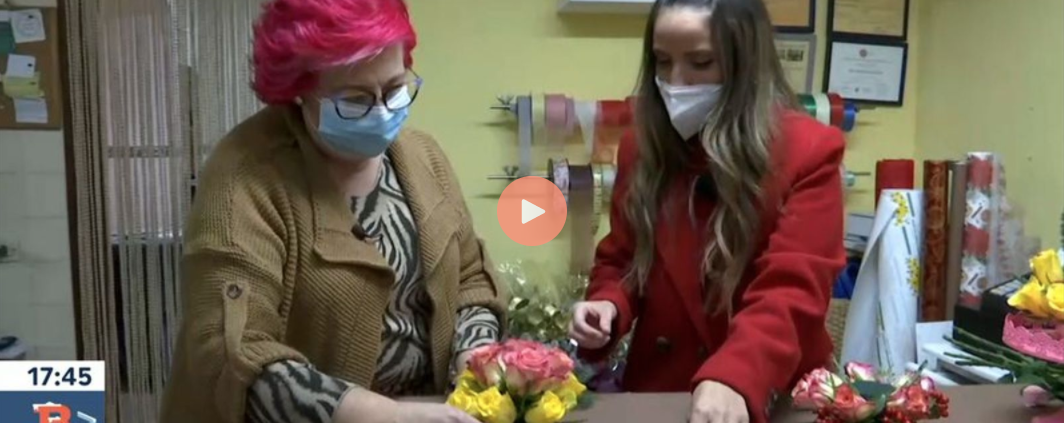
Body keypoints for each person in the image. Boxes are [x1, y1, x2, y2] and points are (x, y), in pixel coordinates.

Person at [160, 1, 502, 422]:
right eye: (355, 99)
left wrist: (474, 354)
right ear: (299, 90)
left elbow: (469, 280)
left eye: (395, 88)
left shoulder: (424, 159)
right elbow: (234, 355)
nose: (381, 111)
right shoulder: (245, 178)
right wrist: (388, 417)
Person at [568, 1, 846, 423]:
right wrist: (608, 304)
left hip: (772, 390)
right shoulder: (640, 148)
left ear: (745, 63)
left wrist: (737, 374)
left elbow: (792, 289)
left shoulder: (809, 152)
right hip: (662, 393)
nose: (675, 82)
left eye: (700, 62)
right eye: (662, 62)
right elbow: (623, 259)